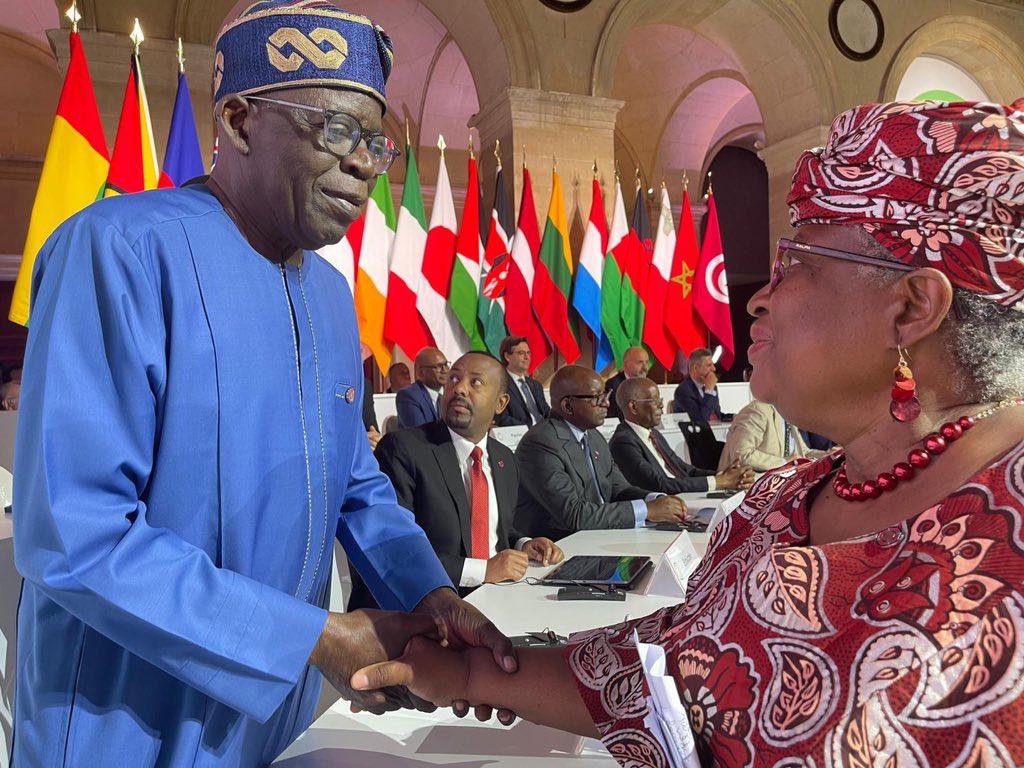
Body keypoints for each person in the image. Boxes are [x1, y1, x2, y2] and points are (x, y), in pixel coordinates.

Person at [353, 99, 1024, 765]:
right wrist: (465, 673)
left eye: (800, 261)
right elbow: (657, 672)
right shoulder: (779, 502)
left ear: (911, 308)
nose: (762, 296)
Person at [11, 4, 514, 765]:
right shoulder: (116, 251)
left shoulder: (331, 295)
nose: (366, 165)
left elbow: (356, 488)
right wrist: (312, 636)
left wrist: (429, 597)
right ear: (241, 120)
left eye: (376, 143)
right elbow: (76, 533)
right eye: (336, 131)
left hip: (276, 714)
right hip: (124, 719)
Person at [349, 351, 563, 609]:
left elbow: (493, 527)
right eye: (453, 379)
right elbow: (395, 548)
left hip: (501, 599)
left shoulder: (504, 459)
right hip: (425, 610)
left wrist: (524, 543)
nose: (459, 389)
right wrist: (483, 571)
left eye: (475, 382)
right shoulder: (403, 449)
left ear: (501, 403)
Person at [514, 365, 686, 540]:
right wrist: (648, 510)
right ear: (567, 405)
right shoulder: (540, 444)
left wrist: (656, 500)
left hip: (599, 535)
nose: (607, 403)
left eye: (605, 395)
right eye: (597, 398)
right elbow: (574, 516)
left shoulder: (594, 436)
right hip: (560, 547)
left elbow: (618, 490)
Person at [610, 377, 754, 494]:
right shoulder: (622, 442)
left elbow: (685, 470)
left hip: (683, 497)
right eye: (655, 401)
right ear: (633, 407)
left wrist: (724, 475)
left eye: (660, 400)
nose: (661, 406)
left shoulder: (653, 434)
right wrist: (720, 482)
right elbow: (659, 484)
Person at [718, 397, 829, 471]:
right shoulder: (757, 411)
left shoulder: (787, 413)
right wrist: (785, 462)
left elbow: (803, 453)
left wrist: (828, 456)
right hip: (745, 488)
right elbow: (742, 455)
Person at [494, 335, 549, 427]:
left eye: (528, 353)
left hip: (544, 432)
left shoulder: (536, 386)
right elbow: (502, 418)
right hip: (521, 435)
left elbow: (547, 412)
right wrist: (530, 430)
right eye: (521, 353)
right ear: (507, 356)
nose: (527, 357)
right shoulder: (499, 383)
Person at [396, 347, 447, 428]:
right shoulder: (408, 396)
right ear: (420, 372)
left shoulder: (450, 394)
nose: (445, 370)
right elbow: (420, 434)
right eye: (438, 366)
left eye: (446, 365)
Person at [673, 347, 726, 422]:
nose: (714, 369)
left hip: (716, 430)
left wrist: (735, 417)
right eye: (709, 365)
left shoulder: (713, 387)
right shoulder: (683, 391)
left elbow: (716, 415)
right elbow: (701, 419)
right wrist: (709, 390)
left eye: (713, 365)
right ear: (695, 368)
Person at [603, 345, 650, 420]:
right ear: (626, 364)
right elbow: (615, 415)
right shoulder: (613, 385)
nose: (645, 367)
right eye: (640, 362)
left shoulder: (648, 384)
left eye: (646, 362)